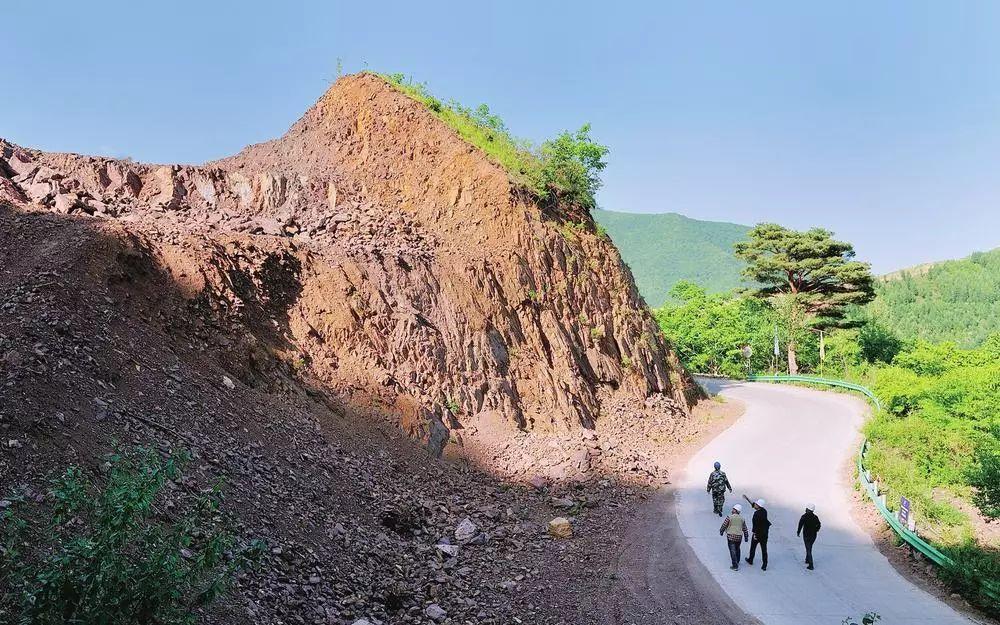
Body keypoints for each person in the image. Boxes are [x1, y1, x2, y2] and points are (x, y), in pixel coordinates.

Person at [719, 503, 749, 570]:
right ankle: (737, 561)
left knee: (732, 551)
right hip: (739, 537)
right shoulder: (742, 519)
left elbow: (724, 525)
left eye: (733, 509)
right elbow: (745, 528)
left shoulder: (729, 517)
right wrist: (746, 537)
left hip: (731, 536)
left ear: (735, 510)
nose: (732, 510)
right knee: (737, 548)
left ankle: (735, 566)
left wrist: (721, 531)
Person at [744, 498, 771, 570]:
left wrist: (755, 534)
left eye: (756, 504)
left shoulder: (756, 514)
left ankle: (750, 560)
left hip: (758, 534)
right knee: (764, 549)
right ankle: (764, 565)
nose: (755, 505)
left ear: (758, 506)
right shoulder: (764, 511)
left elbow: (755, 525)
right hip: (764, 534)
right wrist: (748, 500)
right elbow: (754, 506)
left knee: (753, 547)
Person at [797, 503, 822, 570]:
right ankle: (807, 559)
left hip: (806, 535)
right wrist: (816, 530)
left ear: (808, 510)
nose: (805, 509)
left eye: (807, 508)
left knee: (808, 549)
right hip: (813, 536)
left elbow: (800, 525)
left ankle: (811, 565)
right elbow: (819, 525)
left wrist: (798, 532)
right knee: (809, 547)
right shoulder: (815, 517)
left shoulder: (804, 516)